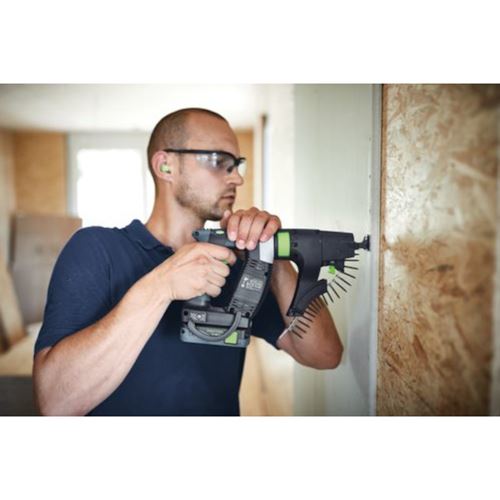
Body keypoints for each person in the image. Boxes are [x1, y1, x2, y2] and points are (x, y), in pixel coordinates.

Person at [32, 108, 343, 416]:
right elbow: (55, 403)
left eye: (237, 165)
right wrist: (161, 285)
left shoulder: (238, 266)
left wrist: (271, 257)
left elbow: (325, 355)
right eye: (219, 161)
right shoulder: (97, 249)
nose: (236, 178)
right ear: (165, 166)